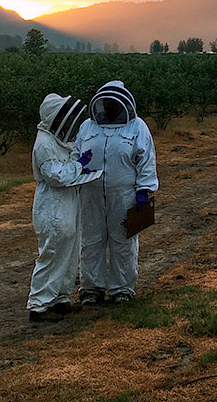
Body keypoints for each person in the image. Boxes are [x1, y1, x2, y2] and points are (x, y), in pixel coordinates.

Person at [75, 80, 158, 305]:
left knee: (123, 242)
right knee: (91, 241)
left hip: (124, 194)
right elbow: (76, 155)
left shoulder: (137, 126)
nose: (109, 106)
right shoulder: (88, 127)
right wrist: (78, 166)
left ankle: (122, 289)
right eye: (107, 102)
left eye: (113, 102)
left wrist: (145, 190)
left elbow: (146, 159)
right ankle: (91, 289)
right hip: (90, 193)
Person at [27, 94, 101, 322]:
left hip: (68, 201)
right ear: (53, 118)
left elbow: (66, 167)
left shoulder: (55, 139)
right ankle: (39, 305)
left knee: (68, 252)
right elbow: (55, 176)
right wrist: (79, 166)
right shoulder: (44, 144)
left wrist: (79, 166)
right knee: (52, 253)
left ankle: (59, 299)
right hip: (52, 203)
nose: (65, 122)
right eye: (61, 117)